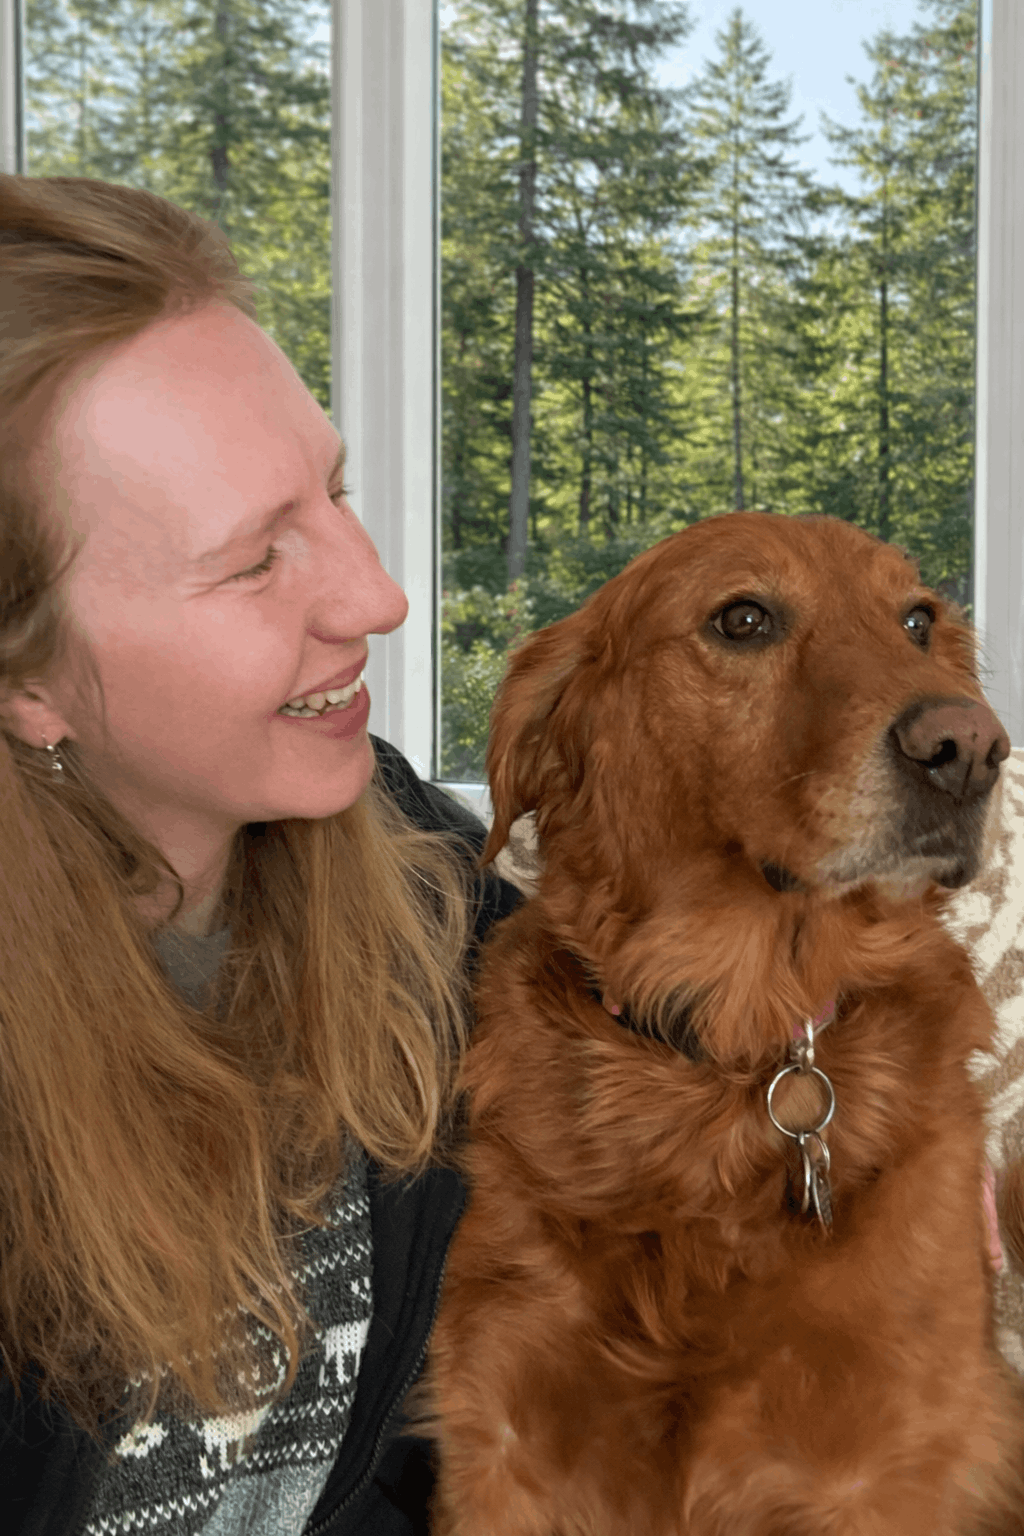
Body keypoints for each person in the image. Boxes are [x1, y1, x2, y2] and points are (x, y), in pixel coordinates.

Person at [0, 173, 520, 1536]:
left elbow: (648, 1021)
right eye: (250, 564)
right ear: (26, 681)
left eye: (333, 490)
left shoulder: (405, 863)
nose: (376, 595)